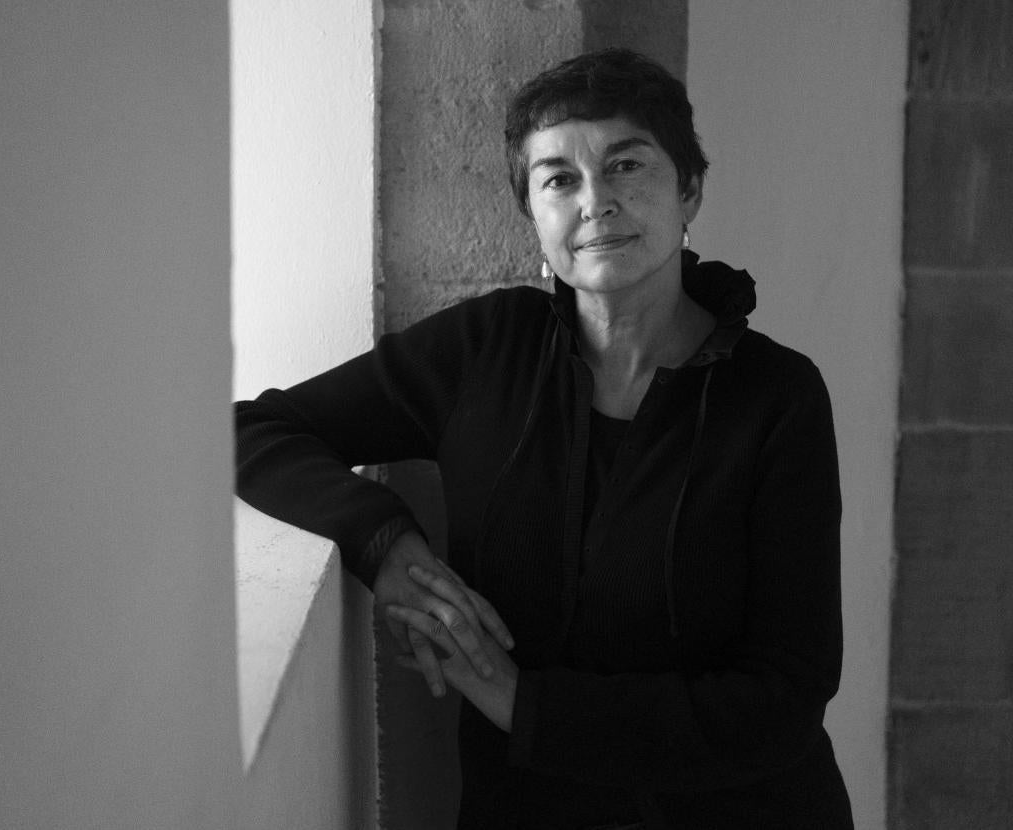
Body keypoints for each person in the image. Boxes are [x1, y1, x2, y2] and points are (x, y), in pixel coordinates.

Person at [235, 47, 852, 829]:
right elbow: (253, 431)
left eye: (627, 165)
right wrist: (386, 547)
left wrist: (522, 703)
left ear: (689, 190)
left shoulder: (777, 396)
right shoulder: (486, 350)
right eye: (559, 179)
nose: (597, 201)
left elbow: (785, 695)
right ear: (533, 216)